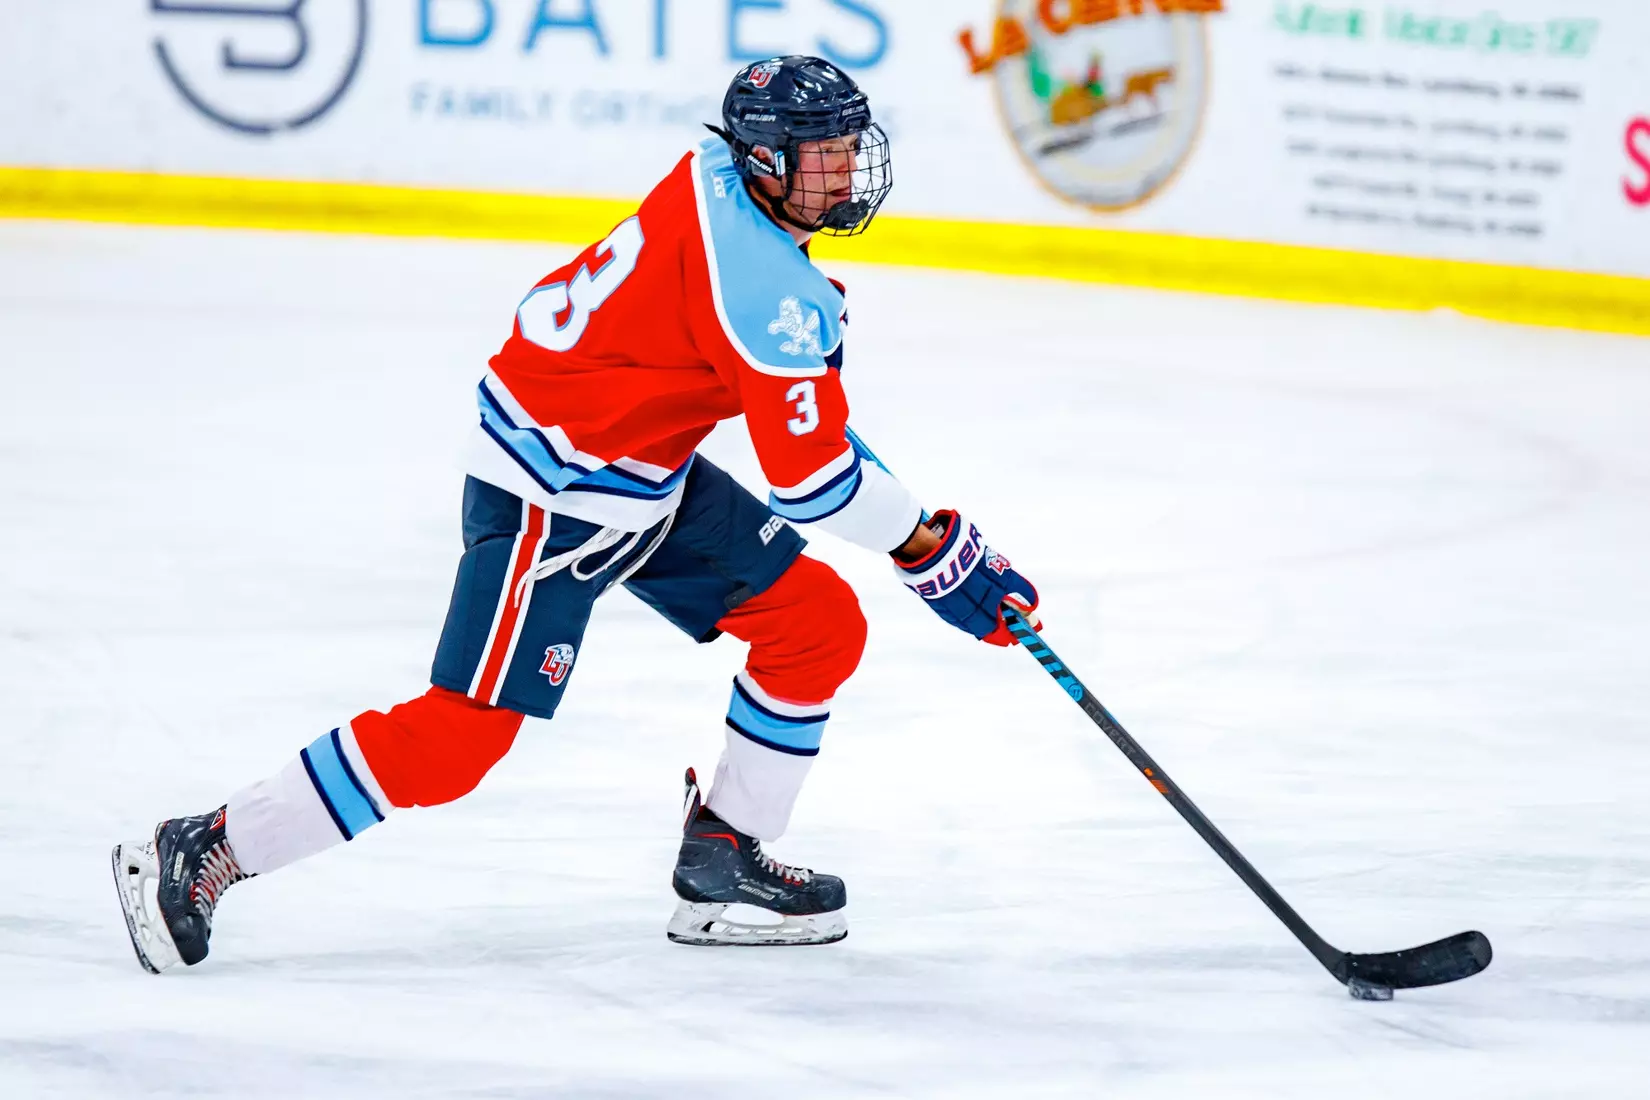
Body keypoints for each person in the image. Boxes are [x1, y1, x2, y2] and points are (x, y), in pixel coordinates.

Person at [111, 55, 1042, 969]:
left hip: (640, 471)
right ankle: (206, 847)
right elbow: (811, 480)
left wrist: (918, 537)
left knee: (816, 624)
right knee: (459, 739)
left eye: (848, 146)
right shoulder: (766, 293)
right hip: (550, 493)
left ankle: (723, 859)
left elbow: (801, 423)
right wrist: (935, 548)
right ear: (764, 160)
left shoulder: (712, 179)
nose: (845, 170)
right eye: (822, 153)